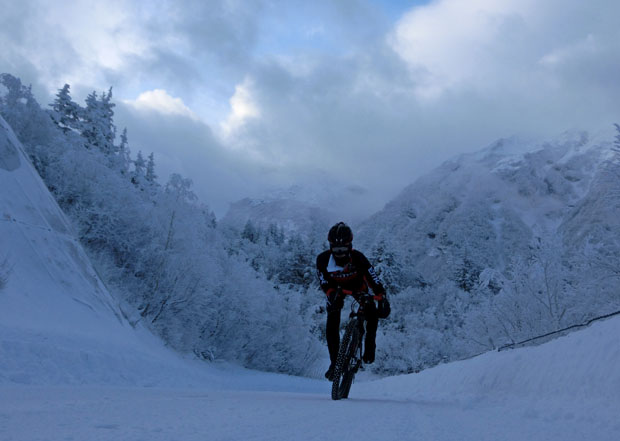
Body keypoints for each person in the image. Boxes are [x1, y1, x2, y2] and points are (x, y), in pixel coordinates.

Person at [316, 221, 386, 380]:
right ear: (330, 247)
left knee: (371, 313)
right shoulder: (322, 259)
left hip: (358, 288)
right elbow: (323, 280)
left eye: (343, 249)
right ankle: (335, 363)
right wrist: (330, 292)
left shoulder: (359, 258)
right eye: (336, 249)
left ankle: (369, 346)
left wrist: (381, 296)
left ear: (350, 247)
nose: (339, 253)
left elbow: (372, 277)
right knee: (332, 320)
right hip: (336, 289)